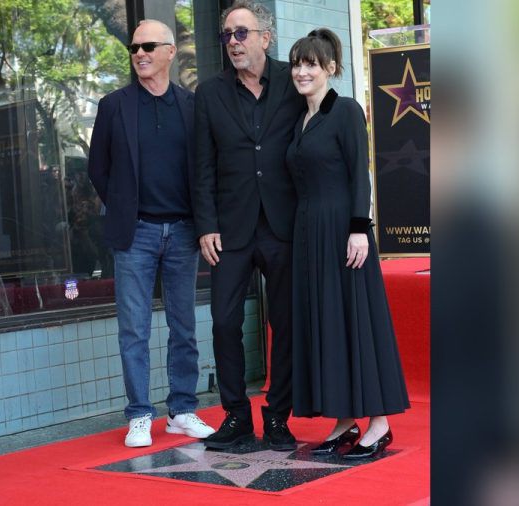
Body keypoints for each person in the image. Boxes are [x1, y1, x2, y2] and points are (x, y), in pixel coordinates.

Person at [88, 19, 215, 448]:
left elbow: (204, 170)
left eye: (148, 46)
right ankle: (140, 414)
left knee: (184, 326)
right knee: (134, 329)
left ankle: (182, 410)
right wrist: (125, 205)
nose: (139, 53)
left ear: (169, 51)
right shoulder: (114, 106)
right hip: (135, 233)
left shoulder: (192, 106)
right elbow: (98, 170)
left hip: (183, 232)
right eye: (134, 47)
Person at [286, 28, 410, 459]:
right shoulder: (301, 118)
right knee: (328, 323)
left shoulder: (347, 111)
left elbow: (362, 173)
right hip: (309, 233)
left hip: (343, 232)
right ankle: (343, 419)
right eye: (297, 64)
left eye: (311, 65)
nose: (302, 72)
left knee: (355, 320)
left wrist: (361, 227)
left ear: (330, 69)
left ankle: (379, 422)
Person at [192, 1, 305, 451]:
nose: (234, 43)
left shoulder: (293, 82)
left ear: (265, 37)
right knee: (223, 322)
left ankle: (278, 416)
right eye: (227, 36)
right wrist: (205, 225)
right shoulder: (209, 93)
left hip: (283, 225)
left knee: (287, 324)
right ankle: (236, 416)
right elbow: (200, 166)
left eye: (242, 33)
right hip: (230, 230)